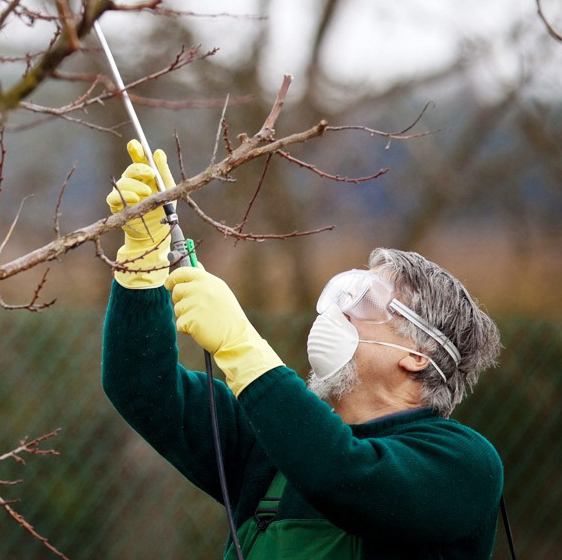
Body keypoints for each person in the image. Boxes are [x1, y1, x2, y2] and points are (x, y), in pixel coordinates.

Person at [101, 139, 504, 560]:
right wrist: (141, 266)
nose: (336, 312)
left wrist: (241, 346)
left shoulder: (463, 463)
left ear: (418, 354)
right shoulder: (268, 446)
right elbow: (142, 388)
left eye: (363, 302)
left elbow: (343, 477)